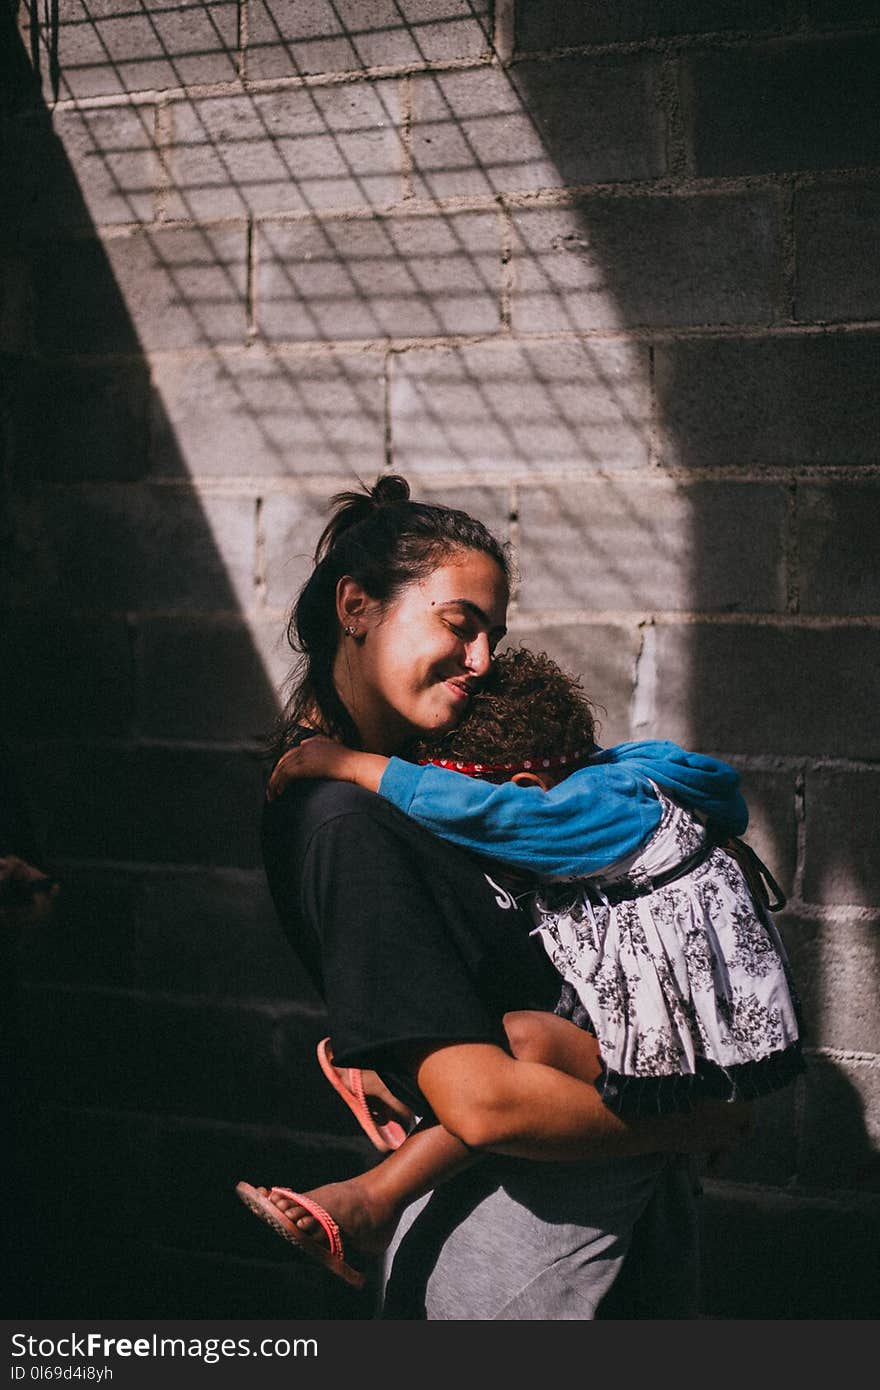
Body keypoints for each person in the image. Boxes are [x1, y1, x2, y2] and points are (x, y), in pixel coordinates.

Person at [243, 473, 753, 1319]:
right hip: (516, 1244)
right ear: (356, 607)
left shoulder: (434, 788)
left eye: (493, 635)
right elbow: (481, 1102)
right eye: (459, 625)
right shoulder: (345, 821)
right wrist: (699, 1118)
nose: (482, 661)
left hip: (606, 1217)